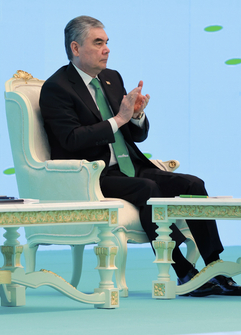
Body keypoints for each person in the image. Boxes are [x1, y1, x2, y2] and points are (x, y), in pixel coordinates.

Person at [39, 15, 241, 296]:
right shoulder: (56, 88)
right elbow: (71, 140)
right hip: (95, 175)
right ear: (75, 48)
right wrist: (119, 119)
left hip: (130, 166)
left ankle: (215, 268)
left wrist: (136, 116)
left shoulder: (112, 78)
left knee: (193, 184)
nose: (106, 49)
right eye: (98, 43)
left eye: (107, 42)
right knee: (149, 189)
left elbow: (137, 136)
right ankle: (183, 271)